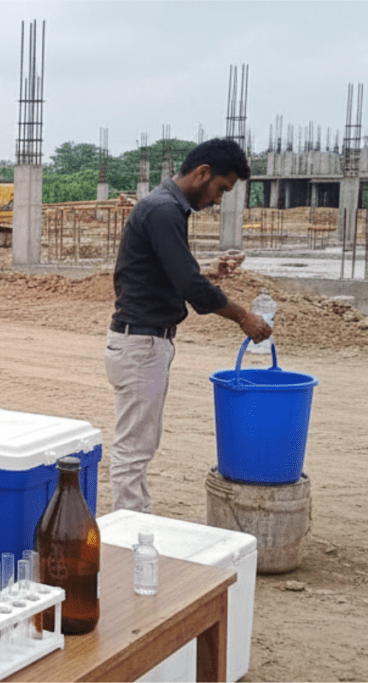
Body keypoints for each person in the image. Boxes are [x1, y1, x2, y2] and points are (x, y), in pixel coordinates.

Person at [104, 138, 271, 514]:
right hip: (141, 344)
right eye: (221, 189)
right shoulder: (164, 210)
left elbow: (164, 272)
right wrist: (244, 316)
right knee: (133, 451)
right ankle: (130, 538)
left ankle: (136, 527)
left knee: (139, 446)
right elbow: (191, 288)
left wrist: (209, 270)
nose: (218, 200)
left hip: (142, 343)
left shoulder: (165, 207)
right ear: (202, 173)